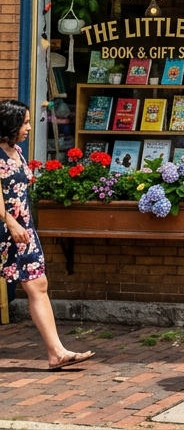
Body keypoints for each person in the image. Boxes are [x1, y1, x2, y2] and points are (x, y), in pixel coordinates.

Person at [0, 100, 95, 370]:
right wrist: (10, 222)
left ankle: (57, 353)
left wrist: (21, 225)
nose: (29, 127)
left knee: (38, 285)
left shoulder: (17, 151)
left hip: (23, 231)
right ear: (10, 124)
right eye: (25, 122)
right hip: (6, 228)